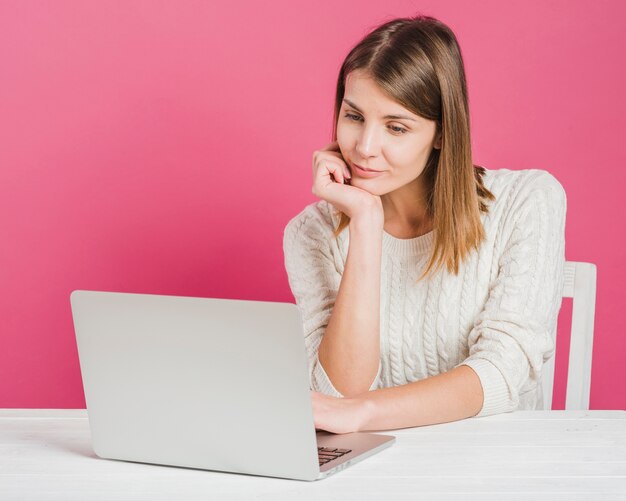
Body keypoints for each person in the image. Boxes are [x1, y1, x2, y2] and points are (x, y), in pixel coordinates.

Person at [283, 15, 566, 434]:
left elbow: (504, 371)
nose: (364, 147)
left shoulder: (527, 201)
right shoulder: (311, 233)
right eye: (354, 116)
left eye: (396, 127)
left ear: (441, 133)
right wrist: (365, 222)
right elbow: (338, 394)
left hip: (500, 463)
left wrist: (368, 412)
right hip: (375, 470)